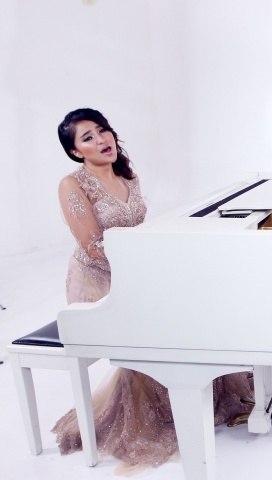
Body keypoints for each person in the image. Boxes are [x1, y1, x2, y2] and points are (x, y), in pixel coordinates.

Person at [52, 108, 254, 472]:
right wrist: (147, 269)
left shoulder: (128, 176)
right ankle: (166, 407)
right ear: (75, 152)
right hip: (97, 281)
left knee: (190, 299)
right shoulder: (72, 184)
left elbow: (140, 232)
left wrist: (159, 259)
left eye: (102, 130)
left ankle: (196, 390)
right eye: (88, 137)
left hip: (132, 271)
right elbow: (92, 247)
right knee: (156, 317)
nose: (101, 139)